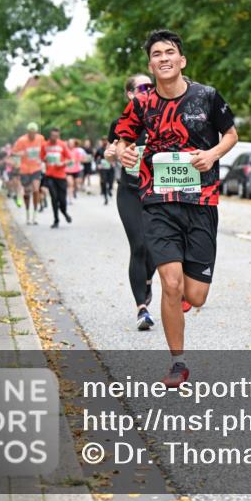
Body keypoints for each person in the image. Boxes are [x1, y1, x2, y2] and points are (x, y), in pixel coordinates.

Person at [116, 29, 238, 387]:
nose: (164, 58)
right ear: (150, 65)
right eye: (156, 54)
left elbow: (231, 135)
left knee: (195, 294)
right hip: (158, 202)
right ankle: (177, 363)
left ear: (181, 60)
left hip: (201, 202)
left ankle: (182, 295)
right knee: (170, 283)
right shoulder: (141, 103)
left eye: (169, 52)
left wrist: (212, 154)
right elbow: (122, 139)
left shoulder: (207, 96)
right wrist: (123, 152)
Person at [106, 74, 160, 331]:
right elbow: (112, 151)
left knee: (154, 248)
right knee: (139, 245)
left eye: (151, 86)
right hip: (130, 192)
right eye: (143, 87)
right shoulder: (120, 123)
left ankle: (146, 281)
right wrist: (111, 153)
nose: (149, 90)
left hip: (157, 193)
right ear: (130, 94)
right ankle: (142, 309)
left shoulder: (161, 118)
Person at [12, 122, 45, 224]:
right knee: (27, 192)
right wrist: (20, 153)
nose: (32, 134)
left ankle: (35, 216)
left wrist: (44, 158)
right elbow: (14, 152)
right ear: (27, 132)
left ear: (36, 132)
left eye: (34, 132)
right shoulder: (22, 140)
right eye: (30, 132)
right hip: (25, 169)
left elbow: (45, 149)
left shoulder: (40, 138)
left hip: (36, 168)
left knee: (36, 189)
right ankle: (27, 214)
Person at [42, 127, 73, 228]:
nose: (54, 138)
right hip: (50, 176)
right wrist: (45, 159)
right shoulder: (45, 145)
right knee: (54, 198)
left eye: (56, 136)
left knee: (62, 200)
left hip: (61, 176)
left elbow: (70, 159)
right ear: (50, 135)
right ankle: (56, 220)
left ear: (59, 136)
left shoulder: (62, 145)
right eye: (53, 136)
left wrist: (63, 163)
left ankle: (64, 213)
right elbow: (42, 157)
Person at [96, 137, 116, 204]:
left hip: (110, 168)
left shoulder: (112, 149)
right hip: (103, 168)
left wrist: (114, 162)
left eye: (106, 141)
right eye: (103, 141)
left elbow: (116, 157)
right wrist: (98, 164)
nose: (105, 142)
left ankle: (109, 190)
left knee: (111, 182)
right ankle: (105, 197)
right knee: (104, 182)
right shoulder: (99, 150)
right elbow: (96, 158)